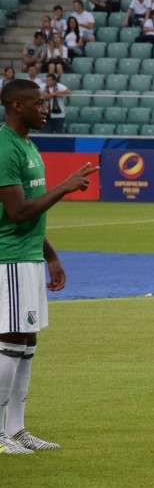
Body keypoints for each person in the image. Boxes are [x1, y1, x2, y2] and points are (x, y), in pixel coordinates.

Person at [0, 79, 98, 455]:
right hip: (8, 258)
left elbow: (32, 214)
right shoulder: (5, 147)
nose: (45, 108)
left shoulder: (28, 145)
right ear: (16, 106)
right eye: (38, 103)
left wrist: (51, 256)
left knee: (27, 341)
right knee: (9, 340)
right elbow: (17, 211)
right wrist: (65, 186)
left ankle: (17, 428)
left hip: (28, 257)